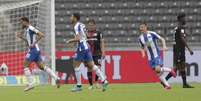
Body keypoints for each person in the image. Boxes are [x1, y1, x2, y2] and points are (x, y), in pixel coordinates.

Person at [66, 13, 108, 92]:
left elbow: (79, 38)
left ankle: (79, 86)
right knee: (92, 65)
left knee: (75, 65)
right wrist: (76, 41)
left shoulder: (76, 26)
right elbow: (83, 35)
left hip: (82, 47)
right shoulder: (81, 25)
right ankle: (104, 80)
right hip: (86, 47)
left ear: (75, 18)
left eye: (71, 17)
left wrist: (70, 41)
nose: (70, 18)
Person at [16, 17, 60, 92]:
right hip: (35, 50)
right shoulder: (27, 30)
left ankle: (31, 83)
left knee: (25, 65)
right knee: (42, 67)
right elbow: (28, 42)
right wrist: (21, 38)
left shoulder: (31, 28)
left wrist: (34, 43)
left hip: (33, 50)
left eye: (22, 22)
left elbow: (41, 35)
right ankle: (56, 78)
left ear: (26, 22)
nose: (21, 24)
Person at [138, 22, 176, 90]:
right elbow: (142, 47)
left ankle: (170, 70)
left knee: (157, 69)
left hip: (156, 55)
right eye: (140, 27)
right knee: (158, 73)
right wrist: (143, 53)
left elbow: (162, 39)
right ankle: (167, 86)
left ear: (146, 27)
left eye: (143, 27)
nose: (141, 29)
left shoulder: (152, 33)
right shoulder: (140, 38)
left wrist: (164, 46)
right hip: (150, 58)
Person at [165, 13, 194, 88]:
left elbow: (180, 37)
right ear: (180, 19)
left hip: (179, 50)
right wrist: (189, 48)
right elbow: (182, 38)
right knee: (177, 67)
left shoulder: (177, 28)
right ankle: (164, 80)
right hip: (179, 50)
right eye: (184, 18)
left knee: (182, 66)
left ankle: (184, 84)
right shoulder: (180, 27)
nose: (185, 19)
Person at [86, 19, 105, 90]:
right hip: (88, 54)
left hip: (97, 53)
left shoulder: (99, 33)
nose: (90, 27)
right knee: (89, 69)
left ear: (94, 25)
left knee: (98, 67)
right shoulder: (85, 34)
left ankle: (97, 82)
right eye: (89, 25)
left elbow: (102, 42)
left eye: (92, 25)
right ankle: (91, 85)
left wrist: (103, 52)